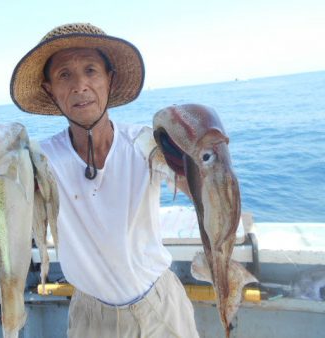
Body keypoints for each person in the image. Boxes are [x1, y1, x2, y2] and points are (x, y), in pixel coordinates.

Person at [10, 23, 199, 338]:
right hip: (90, 314)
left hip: (159, 303)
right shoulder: (40, 161)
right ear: (49, 90)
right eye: (64, 75)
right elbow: (5, 206)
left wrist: (197, 153)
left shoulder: (145, 143)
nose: (80, 85)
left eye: (91, 70)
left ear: (109, 79)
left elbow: (198, 192)